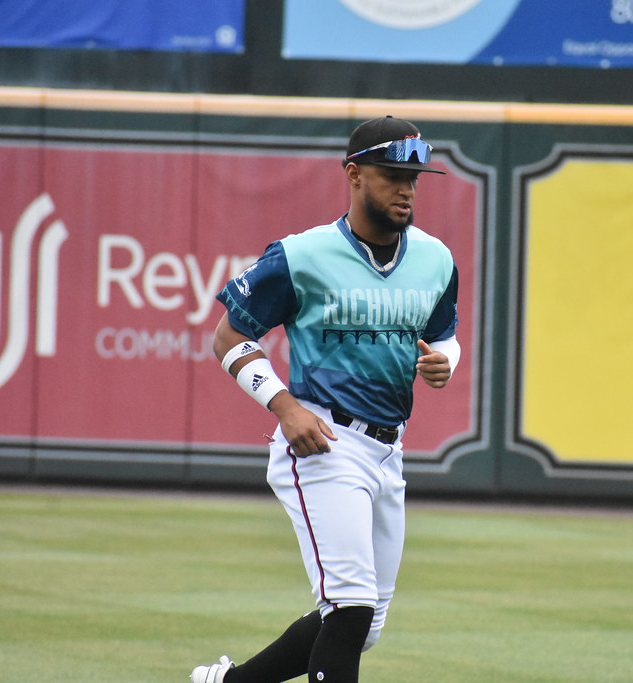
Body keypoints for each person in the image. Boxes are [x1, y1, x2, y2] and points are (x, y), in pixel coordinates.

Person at [191, 116, 461, 683]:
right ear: (354, 174)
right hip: (322, 439)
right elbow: (228, 337)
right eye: (392, 175)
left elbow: (443, 335)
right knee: (350, 607)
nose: (407, 188)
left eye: (414, 176)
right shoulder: (301, 255)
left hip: (389, 449)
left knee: (366, 623)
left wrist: (446, 360)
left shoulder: (435, 259)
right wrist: (285, 406)